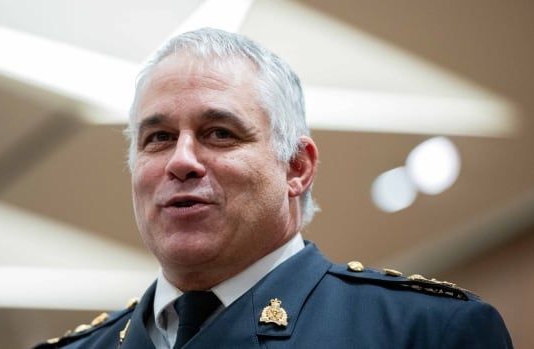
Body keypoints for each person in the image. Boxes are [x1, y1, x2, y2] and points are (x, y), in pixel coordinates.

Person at [34, 28, 513, 349]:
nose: (180, 161)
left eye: (219, 133)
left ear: (297, 168)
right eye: (158, 138)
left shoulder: (424, 333)